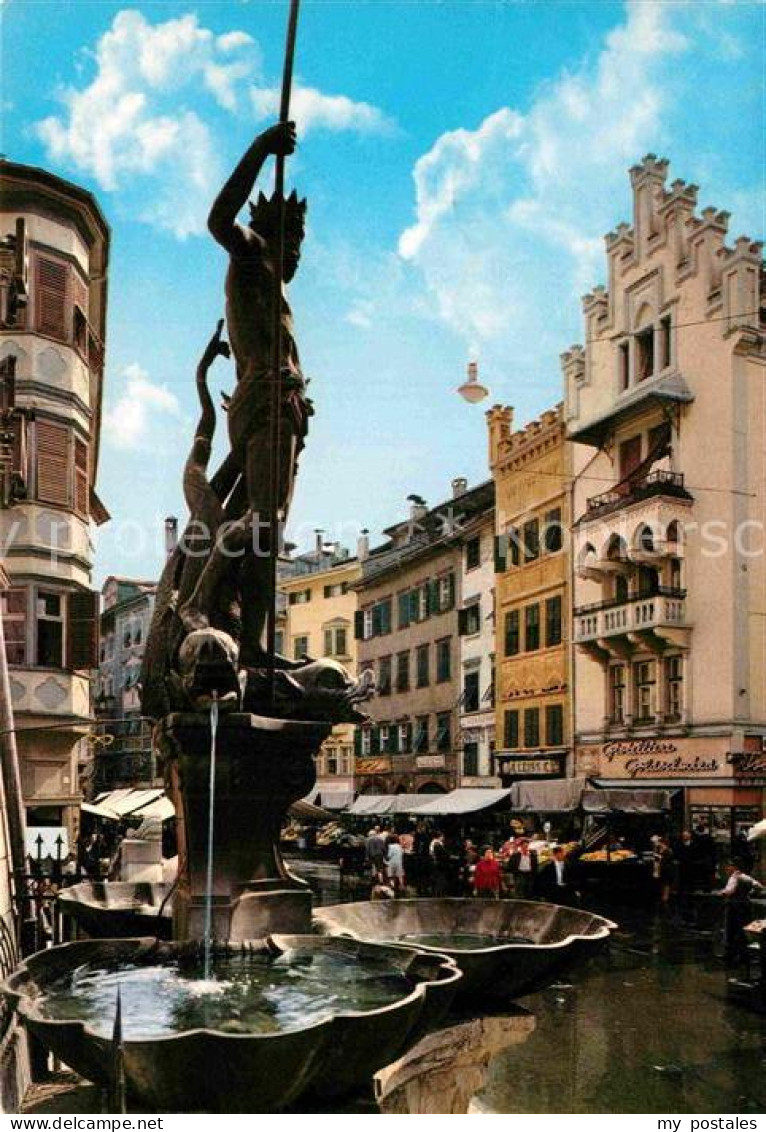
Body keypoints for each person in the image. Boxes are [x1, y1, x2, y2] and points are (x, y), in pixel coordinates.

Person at [183, 120, 312, 663]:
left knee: (269, 535)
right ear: (275, 232)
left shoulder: (276, 290)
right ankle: (197, 601)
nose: (298, 255)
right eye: (295, 241)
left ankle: (256, 647)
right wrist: (262, 147)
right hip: (265, 401)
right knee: (261, 520)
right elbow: (219, 218)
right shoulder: (252, 257)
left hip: (283, 410)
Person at [714, 862, 764, 965]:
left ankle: (730, 955)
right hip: (745, 905)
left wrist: (721, 893)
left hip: (734, 906)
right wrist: (750, 893)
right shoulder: (746, 877)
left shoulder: (734, 878)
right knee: (743, 931)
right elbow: (759, 886)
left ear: (733, 867)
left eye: (728, 867)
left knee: (731, 930)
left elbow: (729, 891)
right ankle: (743, 955)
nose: (727, 869)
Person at [652, 836, 675, 907]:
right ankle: (662, 898)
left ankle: (665, 899)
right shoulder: (659, 849)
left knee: (666, 884)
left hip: (667, 869)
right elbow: (656, 858)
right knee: (662, 883)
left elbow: (666, 860)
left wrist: (659, 857)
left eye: (660, 842)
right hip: (661, 869)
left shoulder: (668, 850)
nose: (659, 844)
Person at [429, 830, 450, 896]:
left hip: (436, 863)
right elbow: (441, 854)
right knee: (440, 879)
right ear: (439, 837)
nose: (443, 838)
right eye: (442, 836)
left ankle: (438, 892)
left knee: (438, 878)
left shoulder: (434, 843)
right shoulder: (437, 844)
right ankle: (439, 893)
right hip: (439, 864)